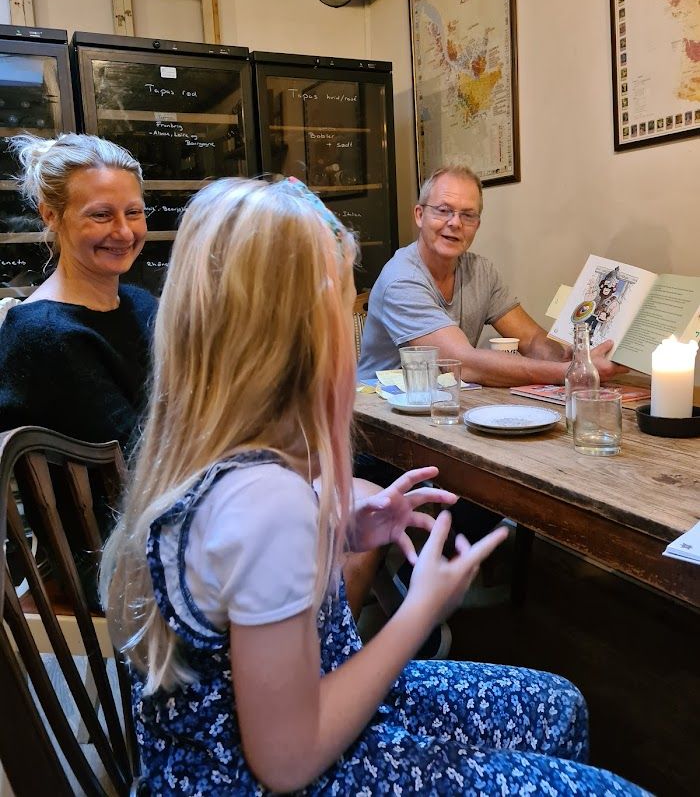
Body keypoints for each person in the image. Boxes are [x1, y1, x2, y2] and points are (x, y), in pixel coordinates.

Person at [101, 176, 647, 795]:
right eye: (342, 310)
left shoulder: (222, 466)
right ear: (300, 338)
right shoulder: (266, 501)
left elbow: (240, 578)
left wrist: (339, 533)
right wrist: (419, 609)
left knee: (559, 704)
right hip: (278, 770)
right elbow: (286, 760)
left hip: (276, 716)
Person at [358, 163, 626, 386]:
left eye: (468, 215)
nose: (455, 223)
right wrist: (572, 372)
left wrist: (575, 356)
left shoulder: (481, 271)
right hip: (381, 417)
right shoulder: (401, 278)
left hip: (445, 404)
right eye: (443, 210)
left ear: (477, 225)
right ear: (419, 215)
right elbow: (461, 363)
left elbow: (531, 339)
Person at [0, 133, 157, 451]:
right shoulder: (42, 333)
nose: (124, 232)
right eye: (101, 215)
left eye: (133, 212)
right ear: (50, 215)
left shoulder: (142, 305)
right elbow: (137, 456)